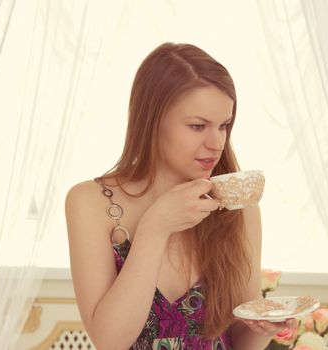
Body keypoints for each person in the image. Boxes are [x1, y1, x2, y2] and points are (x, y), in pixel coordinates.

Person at [65, 42, 296, 349]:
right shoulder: (92, 203)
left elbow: (238, 343)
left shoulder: (236, 207)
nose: (216, 143)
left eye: (224, 125)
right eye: (197, 126)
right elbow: (110, 341)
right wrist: (155, 227)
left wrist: (264, 328)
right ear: (151, 121)